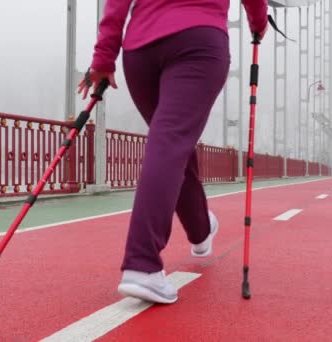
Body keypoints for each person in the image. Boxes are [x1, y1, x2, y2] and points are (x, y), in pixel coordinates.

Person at [78, 0, 268, 304]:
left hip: (140, 50)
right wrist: (259, 23)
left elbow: (116, 4)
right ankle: (142, 265)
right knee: (171, 141)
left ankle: (201, 229)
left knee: (172, 143)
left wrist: (103, 58)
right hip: (199, 41)